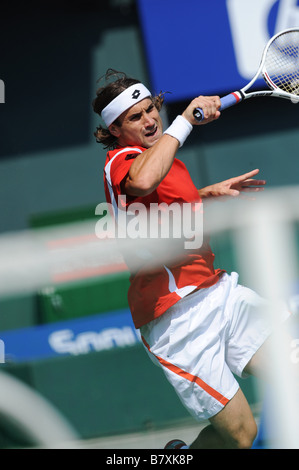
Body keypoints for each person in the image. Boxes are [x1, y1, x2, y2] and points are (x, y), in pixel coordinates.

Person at [92, 69, 287, 449]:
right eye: (136, 117)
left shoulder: (159, 159)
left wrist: (204, 194)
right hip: (176, 318)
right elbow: (143, 182)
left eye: (152, 110)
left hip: (218, 292)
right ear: (114, 129)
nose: (150, 120)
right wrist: (184, 122)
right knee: (241, 436)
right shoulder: (121, 162)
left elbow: (152, 206)